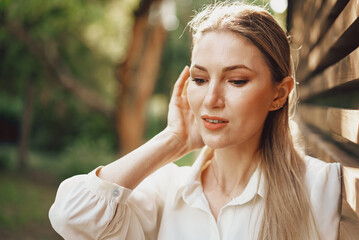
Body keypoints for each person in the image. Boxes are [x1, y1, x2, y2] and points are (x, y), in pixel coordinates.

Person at [49, 2, 341, 240]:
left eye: (237, 80)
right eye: (200, 79)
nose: (211, 98)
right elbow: (71, 216)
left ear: (279, 94)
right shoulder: (165, 191)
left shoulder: (319, 187)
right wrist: (172, 140)